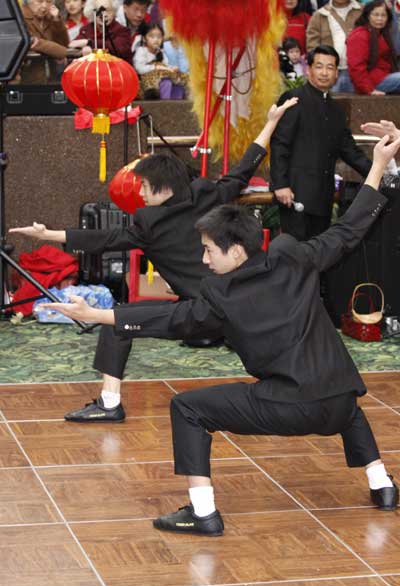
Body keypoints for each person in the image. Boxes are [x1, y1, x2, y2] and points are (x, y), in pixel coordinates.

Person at [40, 134, 400, 535]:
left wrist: (96, 314)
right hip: (339, 401)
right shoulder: (294, 257)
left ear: (237, 251)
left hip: (286, 406)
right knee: (343, 402)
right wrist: (378, 163)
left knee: (188, 408)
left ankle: (203, 512)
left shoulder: (221, 296)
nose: (204, 258)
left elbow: (169, 318)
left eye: (209, 250)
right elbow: (349, 229)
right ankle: (382, 485)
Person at [9, 98, 297, 424]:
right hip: (237, 304)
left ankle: (109, 403)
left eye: (145, 186)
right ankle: (288, 390)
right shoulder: (206, 194)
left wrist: (48, 234)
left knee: (116, 321)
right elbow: (244, 168)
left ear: (164, 187)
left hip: (200, 312)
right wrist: (270, 122)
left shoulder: (150, 223)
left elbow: (105, 240)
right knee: (120, 320)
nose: (142, 194)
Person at [270, 44, 371, 241]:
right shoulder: (293, 99)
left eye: (330, 67)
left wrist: (379, 173)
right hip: (294, 195)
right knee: (295, 253)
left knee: (319, 255)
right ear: (308, 69)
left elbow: (350, 151)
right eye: (319, 66)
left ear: (336, 73)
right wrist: (280, 184)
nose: (324, 73)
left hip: (323, 199)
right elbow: (280, 144)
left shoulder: (336, 110)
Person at [306, 0, 362, 92]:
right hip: (329, 73)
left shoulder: (362, 11)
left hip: (357, 72)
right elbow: (312, 46)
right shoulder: (319, 15)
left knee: (360, 101)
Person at [346, 0, 400, 95]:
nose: (380, 18)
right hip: (371, 82)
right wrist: (369, 90)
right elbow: (356, 67)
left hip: (385, 76)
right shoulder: (360, 35)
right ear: (368, 16)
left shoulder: (383, 34)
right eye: (376, 15)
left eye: (383, 15)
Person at [134, 23, 187, 99]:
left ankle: (176, 105)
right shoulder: (141, 51)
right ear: (144, 38)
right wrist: (156, 67)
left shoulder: (161, 52)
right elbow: (139, 69)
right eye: (152, 36)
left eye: (159, 37)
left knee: (178, 86)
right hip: (147, 83)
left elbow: (165, 65)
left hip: (162, 78)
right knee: (166, 83)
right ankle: (164, 104)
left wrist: (172, 68)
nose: (156, 40)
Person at [21, 0, 69, 84]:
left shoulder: (50, 17)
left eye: (48, 1)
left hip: (51, 77)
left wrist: (56, 20)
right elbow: (32, 41)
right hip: (27, 78)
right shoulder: (20, 16)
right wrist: (61, 52)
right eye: (40, 1)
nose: (44, 6)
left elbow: (64, 43)